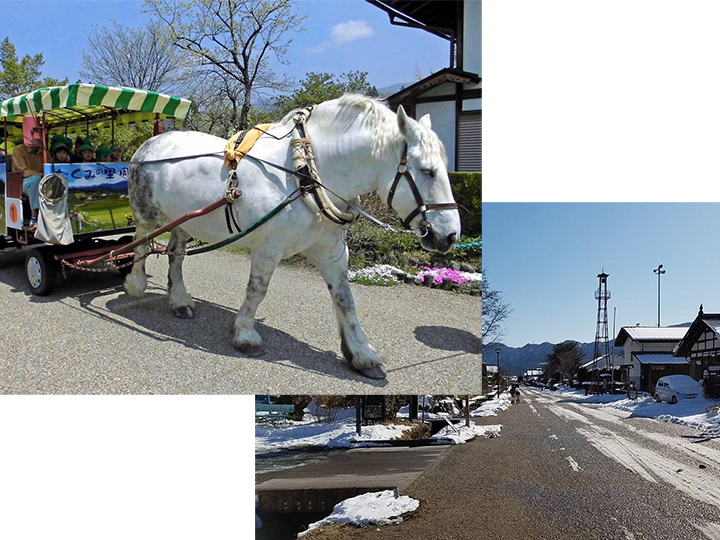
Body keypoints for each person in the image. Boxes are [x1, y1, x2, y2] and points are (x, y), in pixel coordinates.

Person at [11, 139, 44, 229]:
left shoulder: (44, 151)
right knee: (35, 180)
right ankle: (34, 217)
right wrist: (40, 174)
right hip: (22, 183)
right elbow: (24, 172)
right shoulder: (18, 150)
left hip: (43, 181)